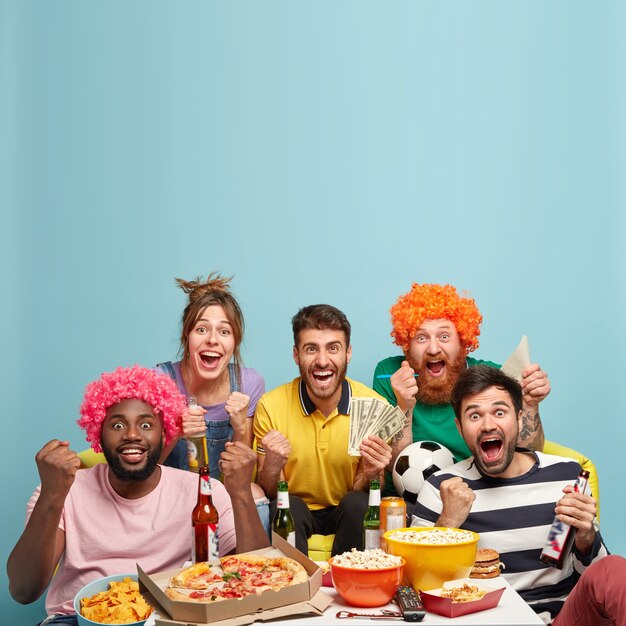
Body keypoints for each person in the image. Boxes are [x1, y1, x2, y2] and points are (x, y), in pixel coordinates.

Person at [7, 365, 269, 626]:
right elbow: (23, 590)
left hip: (171, 618)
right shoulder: (64, 490)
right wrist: (52, 495)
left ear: (165, 432)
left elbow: (257, 582)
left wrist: (241, 492)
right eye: (118, 424)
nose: (132, 435)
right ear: (98, 432)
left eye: (145, 424)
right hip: (75, 619)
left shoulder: (204, 492)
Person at [411, 365, 625, 625]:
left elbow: (597, 584)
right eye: (474, 416)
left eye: (499, 412)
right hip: (484, 620)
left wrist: (586, 536)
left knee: (614, 569)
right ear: (459, 427)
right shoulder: (440, 488)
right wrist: (448, 525)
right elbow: (415, 588)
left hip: (562, 619)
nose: (488, 425)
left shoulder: (567, 475)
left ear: (520, 419)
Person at [373, 283, 550, 496]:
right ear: (407, 345)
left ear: (463, 342)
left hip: (477, 493)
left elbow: (529, 453)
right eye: (421, 337)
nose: (433, 348)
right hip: (408, 499)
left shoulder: (492, 378)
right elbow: (392, 464)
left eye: (444, 336)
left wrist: (530, 405)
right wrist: (404, 406)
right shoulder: (390, 374)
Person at [253, 304, 393, 556]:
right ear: (296, 355)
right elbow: (271, 491)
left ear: (348, 353)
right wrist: (272, 467)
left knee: (359, 503)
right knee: (285, 507)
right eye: (311, 349)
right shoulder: (271, 406)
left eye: (333, 348)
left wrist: (373, 472)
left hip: (347, 507)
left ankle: (352, 582)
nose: (322, 361)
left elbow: (372, 488)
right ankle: (292, 586)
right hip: (298, 509)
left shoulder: (375, 406)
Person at [158, 273, 265, 481]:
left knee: (256, 497)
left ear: (235, 341)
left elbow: (241, 478)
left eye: (224, 332)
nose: (213, 340)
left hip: (221, 498)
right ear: (187, 336)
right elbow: (145, 472)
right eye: (201, 329)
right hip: (168, 500)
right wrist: (175, 432)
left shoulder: (249, 384)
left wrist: (241, 426)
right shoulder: (161, 381)